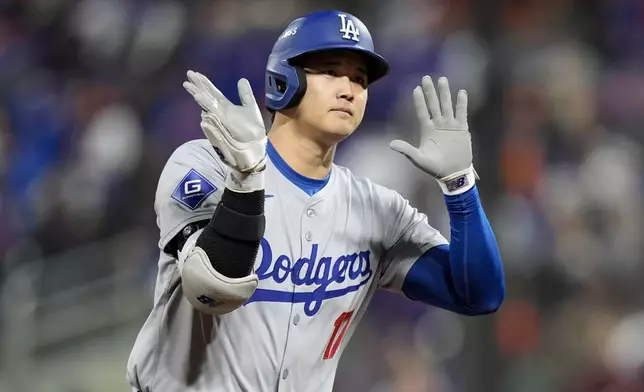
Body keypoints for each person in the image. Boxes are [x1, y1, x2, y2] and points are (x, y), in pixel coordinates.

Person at [126, 9, 505, 392]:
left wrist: (460, 187)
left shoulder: (377, 209)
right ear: (282, 81)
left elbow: (480, 295)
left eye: (359, 79)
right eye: (330, 72)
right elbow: (212, 289)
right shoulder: (204, 164)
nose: (349, 88)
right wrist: (245, 180)